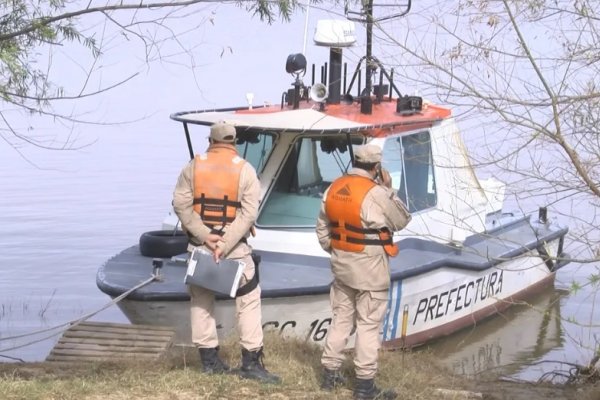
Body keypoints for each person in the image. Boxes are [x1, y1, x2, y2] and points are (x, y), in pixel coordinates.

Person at [172, 121, 280, 384]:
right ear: (234, 143)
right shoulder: (245, 170)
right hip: (234, 249)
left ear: (210, 140)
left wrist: (204, 235)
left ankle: (209, 362)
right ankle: (251, 363)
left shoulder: (193, 166)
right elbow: (248, 214)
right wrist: (225, 243)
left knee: (201, 299)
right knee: (249, 298)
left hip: (200, 246)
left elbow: (180, 205)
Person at [316, 143, 412, 400]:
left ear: (355, 161)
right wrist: (389, 188)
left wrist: (338, 252)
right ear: (376, 167)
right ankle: (364, 387)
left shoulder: (334, 188)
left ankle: (329, 375)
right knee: (368, 327)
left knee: (341, 320)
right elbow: (402, 219)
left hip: (342, 267)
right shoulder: (377, 193)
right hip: (370, 270)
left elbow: (322, 231)